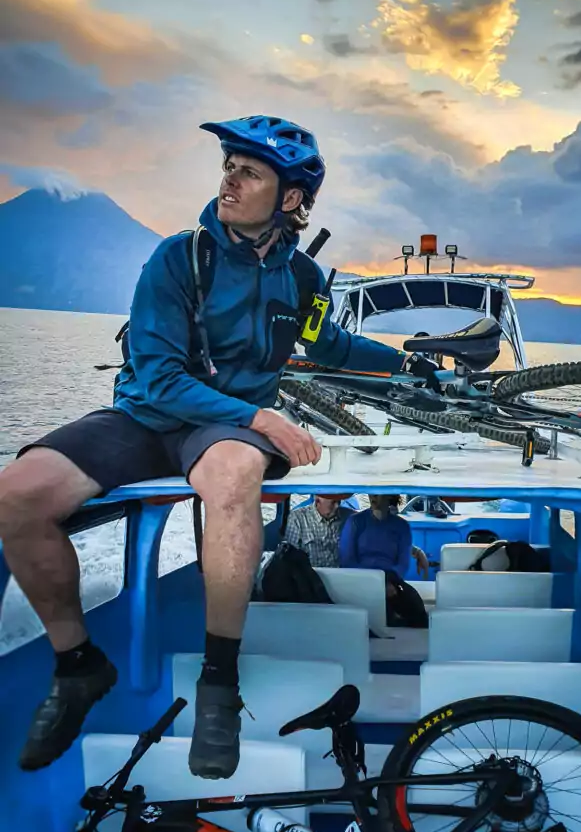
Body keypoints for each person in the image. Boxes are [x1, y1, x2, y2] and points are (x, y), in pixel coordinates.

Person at [0, 114, 439, 780]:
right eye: (229, 166)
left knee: (233, 473)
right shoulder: (178, 259)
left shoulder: (304, 282)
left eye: (250, 171)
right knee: (18, 495)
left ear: (291, 198)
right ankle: (78, 665)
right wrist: (261, 418)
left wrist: (407, 365)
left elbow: (330, 346)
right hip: (147, 414)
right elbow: (158, 376)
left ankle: (218, 685)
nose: (230, 179)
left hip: (220, 431)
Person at [284, 494, 430, 576]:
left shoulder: (350, 517)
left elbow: (377, 535)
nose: (338, 506)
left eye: (339, 501)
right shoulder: (298, 519)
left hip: (343, 579)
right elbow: (288, 556)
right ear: (317, 500)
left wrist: (416, 551)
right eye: (334, 502)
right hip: (312, 578)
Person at [339, 495, 428, 628]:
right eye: (371, 493)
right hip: (359, 581)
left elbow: (402, 564)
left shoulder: (402, 526)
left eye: (378, 493)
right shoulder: (355, 522)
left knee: (418, 614)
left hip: (391, 582)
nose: (373, 496)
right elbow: (347, 560)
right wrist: (374, 584)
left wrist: (387, 582)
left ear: (389, 496)